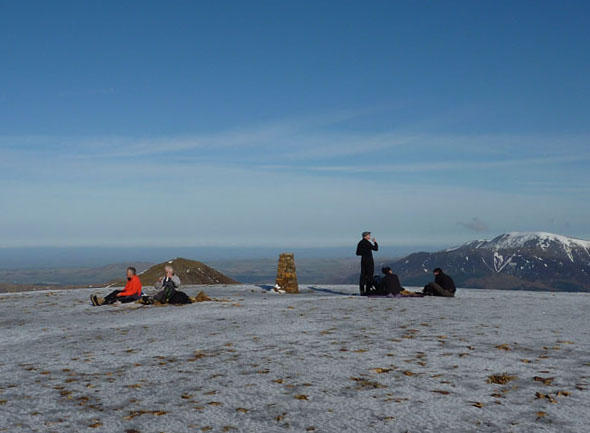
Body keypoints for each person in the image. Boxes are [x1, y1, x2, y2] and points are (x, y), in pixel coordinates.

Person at [356, 231, 378, 295]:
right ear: (365, 236)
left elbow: (357, 253)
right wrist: (375, 242)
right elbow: (375, 249)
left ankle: (362, 290)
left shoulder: (360, 243)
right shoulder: (367, 243)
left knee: (363, 275)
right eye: (368, 235)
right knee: (369, 275)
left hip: (363, 260)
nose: (370, 236)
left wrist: (363, 253)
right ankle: (368, 290)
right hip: (369, 260)